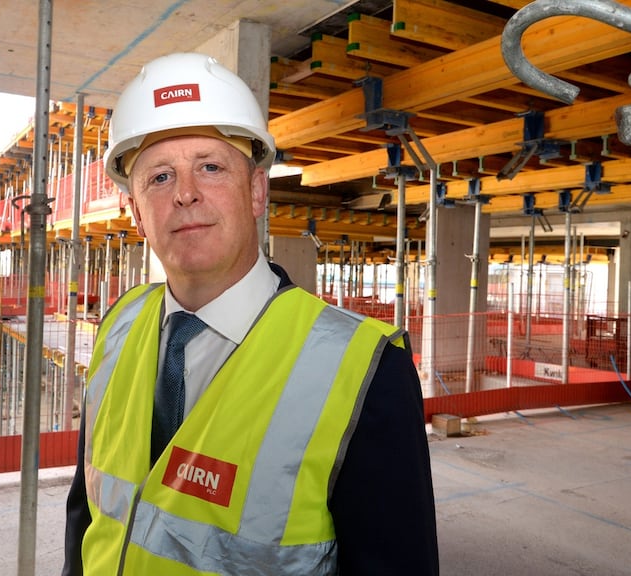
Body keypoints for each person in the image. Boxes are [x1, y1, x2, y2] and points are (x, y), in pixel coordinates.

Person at [62, 52, 438, 575]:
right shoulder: (119, 327)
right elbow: (87, 517)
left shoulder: (363, 370)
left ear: (257, 191)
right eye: (160, 177)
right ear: (137, 214)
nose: (186, 195)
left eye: (210, 168)